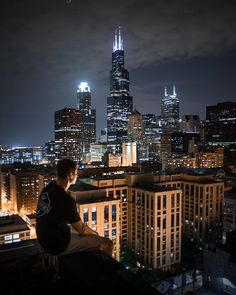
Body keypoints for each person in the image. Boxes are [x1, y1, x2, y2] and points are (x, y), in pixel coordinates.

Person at [36, 158, 113, 257]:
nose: (77, 176)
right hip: (57, 244)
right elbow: (82, 229)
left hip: (43, 238)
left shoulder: (48, 188)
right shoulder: (65, 199)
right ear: (71, 174)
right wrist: (95, 234)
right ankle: (109, 271)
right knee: (108, 244)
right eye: (76, 173)